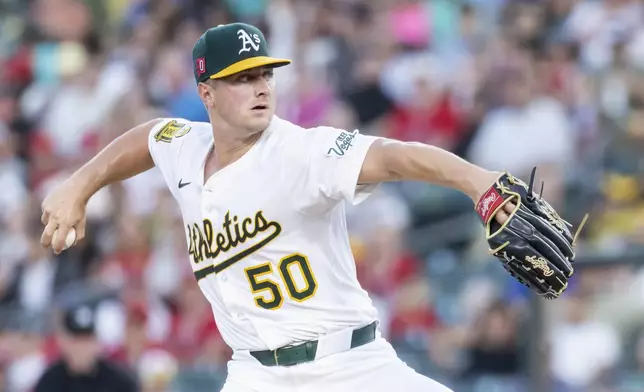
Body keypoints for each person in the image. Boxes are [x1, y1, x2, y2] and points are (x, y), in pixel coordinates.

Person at [40, 22, 515, 392]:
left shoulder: (300, 152)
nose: (262, 86)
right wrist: (79, 184)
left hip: (348, 365)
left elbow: (391, 157)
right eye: (243, 79)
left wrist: (478, 182)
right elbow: (147, 136)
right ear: (206, 93)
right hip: (255, 373)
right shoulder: (186, 148)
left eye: (265, 73)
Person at [34, 305, 139, 392]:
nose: (82, 348)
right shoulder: (50, 381)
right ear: (63, 342)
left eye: (87, 341)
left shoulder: (119, 380)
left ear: (97, 343)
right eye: (76, 341)